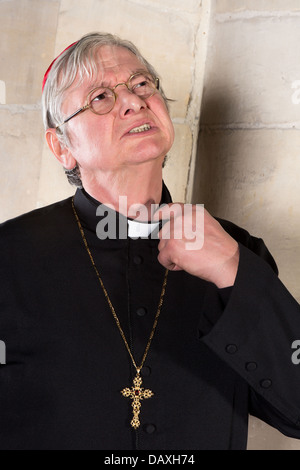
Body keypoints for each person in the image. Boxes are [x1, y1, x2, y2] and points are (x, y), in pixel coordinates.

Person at [0, 32, 300, 451]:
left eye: (142, 84)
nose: (134, 101)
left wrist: (235, 271)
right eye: (101, 96)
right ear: (62, 146)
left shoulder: (237, 250)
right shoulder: (9, 256)